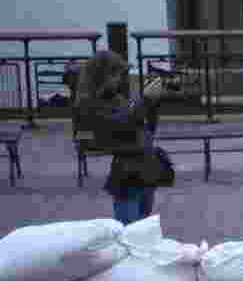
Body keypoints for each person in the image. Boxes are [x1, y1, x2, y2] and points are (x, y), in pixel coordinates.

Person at [73, 50, 171, 224]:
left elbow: (145, 128)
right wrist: (145, 102)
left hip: (144, 170)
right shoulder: (89, 102)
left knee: (143, 230)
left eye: (119, 75)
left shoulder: (117, 98)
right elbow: (119, 125)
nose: (118, 80)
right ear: (101, 76)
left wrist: (153, 105)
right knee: (130, 233)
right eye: (114, 75)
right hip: (127, 173)